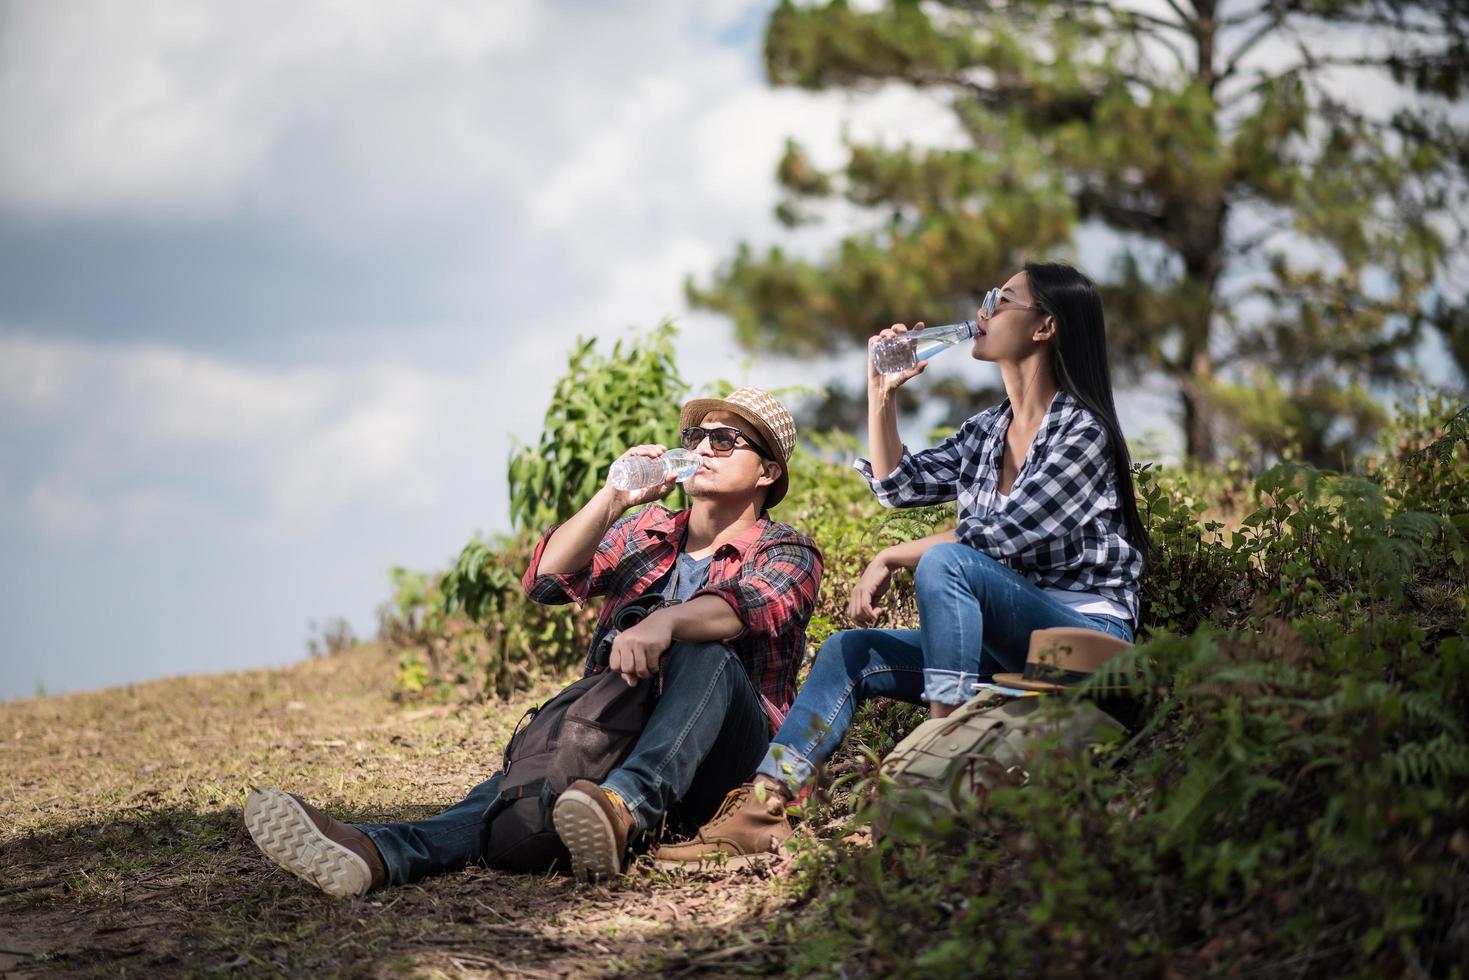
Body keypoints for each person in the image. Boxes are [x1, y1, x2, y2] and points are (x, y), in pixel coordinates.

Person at [655, 261, 1150, 868]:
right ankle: (766, 807)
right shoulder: (987, 432)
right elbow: (897, 484)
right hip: (1011, 648)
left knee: (948, 564)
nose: (984, 309)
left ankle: (939, 751)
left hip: (1085, 645)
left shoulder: (1083, 431)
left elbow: (1009, 535)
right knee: (848, 650)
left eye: (1003, 299)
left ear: (1045, 325)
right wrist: (881, 393)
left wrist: (893, 554)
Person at [243, 387, 822, 895]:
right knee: (508, 794)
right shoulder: (644, 532)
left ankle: (627, 806)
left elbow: (747, 609)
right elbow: (548, 580)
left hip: (726, 767)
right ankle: (377, 853)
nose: (701, 449)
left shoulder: (787, 551)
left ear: (767, 472)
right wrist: (613, 498)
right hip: (625, 733)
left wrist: (664, 621)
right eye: (696, 436)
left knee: (706, 649)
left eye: (724, 442)